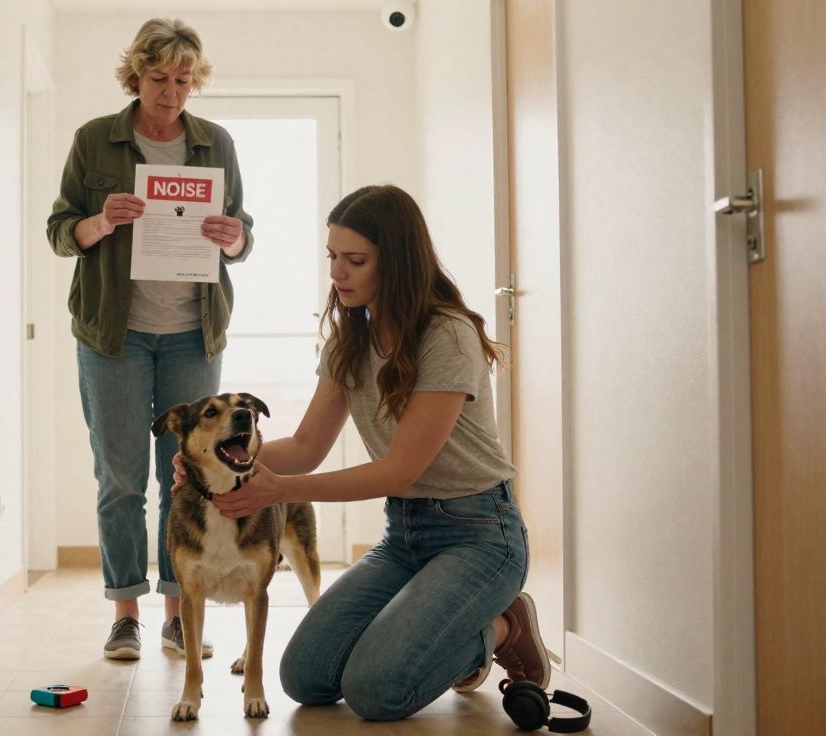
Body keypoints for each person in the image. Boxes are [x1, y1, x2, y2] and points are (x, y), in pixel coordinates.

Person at [174, 184, 549, 720]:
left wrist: (280, 490)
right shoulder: (349, 341)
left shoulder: (448, 335)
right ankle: (422, 625)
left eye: (355, 260)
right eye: (332, 257)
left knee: (377, 691)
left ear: (396, 264)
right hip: (404, 535)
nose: (337, 273)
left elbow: (401, 471)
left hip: (480, 534)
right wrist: (209, 466)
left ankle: (503, 625)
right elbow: (304, 448)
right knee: (305, 676)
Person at [46, 17, 254, 662]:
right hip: (114, 335)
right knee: (120, 478)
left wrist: (234, 237)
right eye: (159, 79)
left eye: (184, 80)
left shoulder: (214, 142)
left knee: (189, 478)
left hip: (194, 333)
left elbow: (244, 232)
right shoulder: (95, 141)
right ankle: (126, 615)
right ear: (134, 76)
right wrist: (100, 222)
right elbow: (59, 232)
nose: (171, 93)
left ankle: (177, 611)